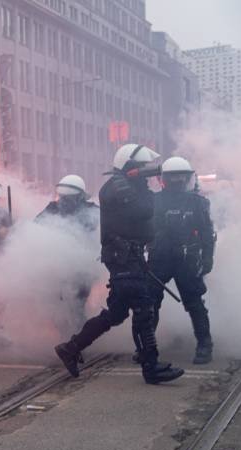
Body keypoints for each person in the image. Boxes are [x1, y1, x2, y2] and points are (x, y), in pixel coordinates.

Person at [54, 144, 185, 385]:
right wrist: (141, 187)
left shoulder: (126, 186)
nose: (145, 173)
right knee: (144, 310)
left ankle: (70, 348)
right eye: (141, 167)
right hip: (122, 257)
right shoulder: (116, 187)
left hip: (129, 257)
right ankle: (151, 366)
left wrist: (139, 183)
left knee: (116, 313)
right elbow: (145, 211)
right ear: (129, 166)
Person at [135, 156, 216, 364]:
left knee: (195, 303)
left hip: (186, 260)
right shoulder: (153, 201)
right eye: (173, 177)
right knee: (150, 304)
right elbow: (140, 231)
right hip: (159, 260)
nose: (178, 181)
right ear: (164, 179)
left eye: (181, 177)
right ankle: (146, 348)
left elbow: (207, 234)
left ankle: (205, 346)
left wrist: (208, 258)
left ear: (188, 178)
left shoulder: (198, 203)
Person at [36, 174, 100, 329]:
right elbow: (35, 227)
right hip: (59, 265)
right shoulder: (53, 208)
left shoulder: (91, 210)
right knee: (58, 303)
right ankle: (66, 332)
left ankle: (79, 334)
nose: (64, 201)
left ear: (79, 196)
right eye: (62, 197)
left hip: (83, 266)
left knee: (78, 304)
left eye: (68, 198)